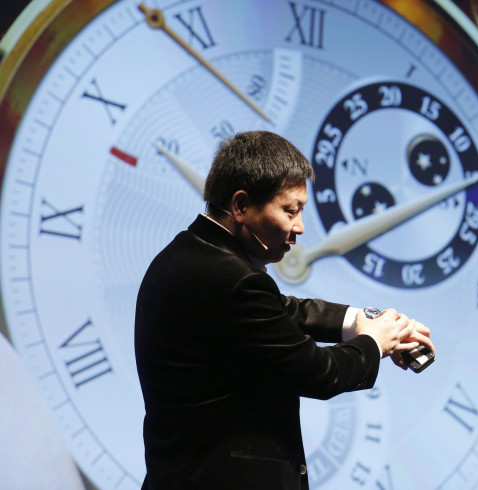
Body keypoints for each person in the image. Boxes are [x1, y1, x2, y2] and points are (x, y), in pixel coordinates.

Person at [134, 131, 432, 489]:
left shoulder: (184, 256)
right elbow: (320, 374)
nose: (300, 228)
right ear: (241, 206)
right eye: (290, 210)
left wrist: (367, 322)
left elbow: (284, 311)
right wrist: (375, 343)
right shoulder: (236, 281)